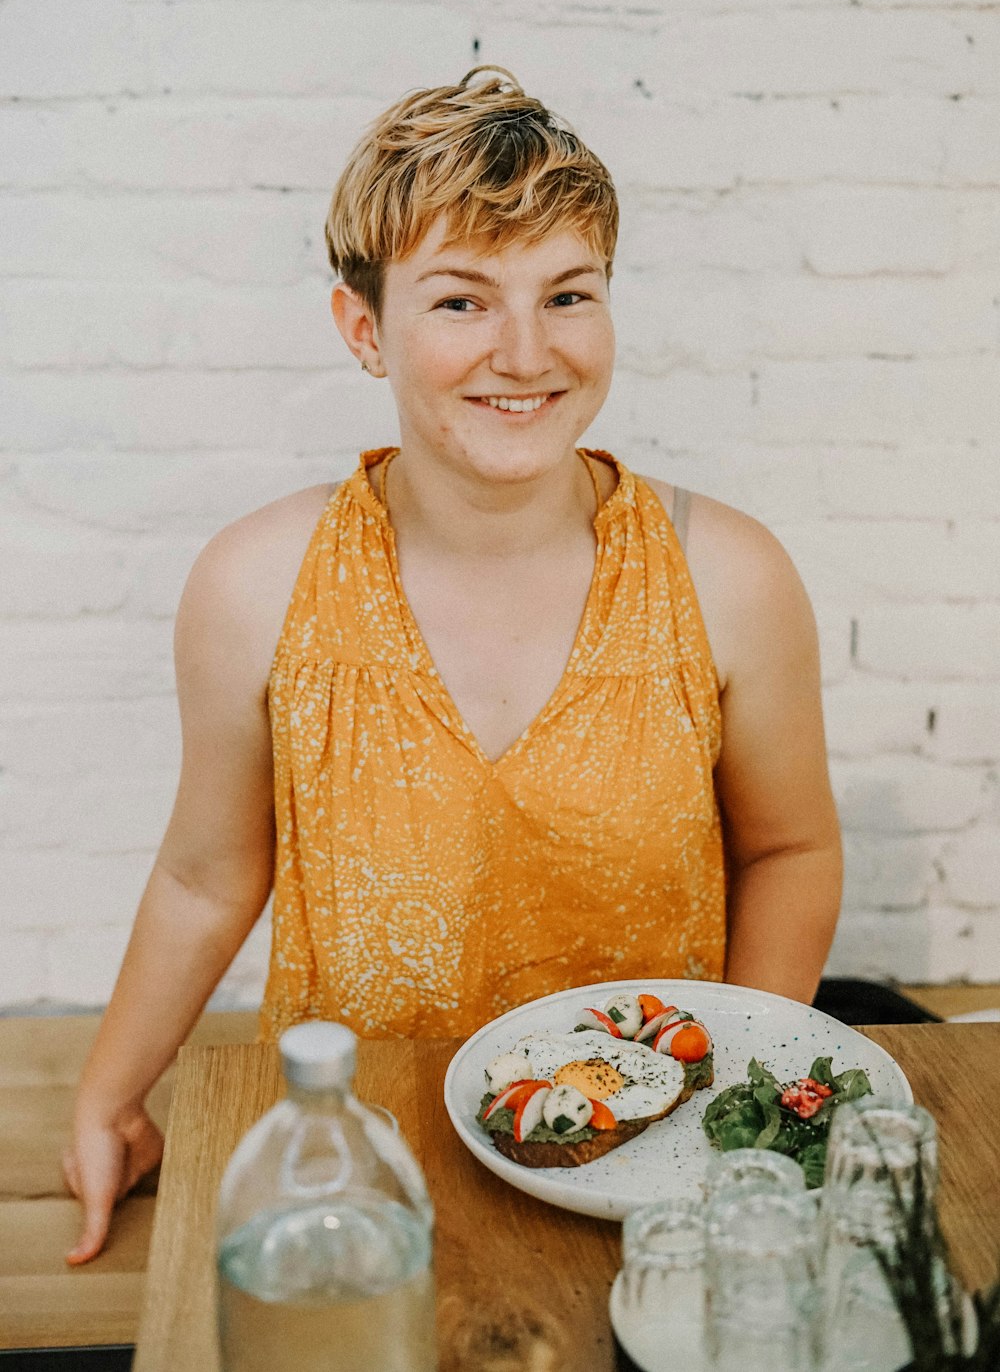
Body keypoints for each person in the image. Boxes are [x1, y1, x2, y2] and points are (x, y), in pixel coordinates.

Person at [63, 67, 842, 1263]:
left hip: (646, 1164)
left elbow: (789, 847)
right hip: (368, 1164)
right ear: (364, 329)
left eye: (567, 294)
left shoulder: (726, 574)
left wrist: (734, 1103)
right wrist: (111, 1094)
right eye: (462, 303)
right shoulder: (253, 585)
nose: (525, 353)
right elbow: (204, 876)